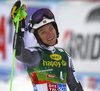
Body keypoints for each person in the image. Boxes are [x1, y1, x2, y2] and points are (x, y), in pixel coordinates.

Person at [11, 1, 84, 91]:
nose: (49, 34)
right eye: (43, 32)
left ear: (56, 29)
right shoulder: (37, 54)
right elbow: (19, 54)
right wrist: (19, 29)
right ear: (37, 37)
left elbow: (75, 86)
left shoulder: (64, 55)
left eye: (51, 28)